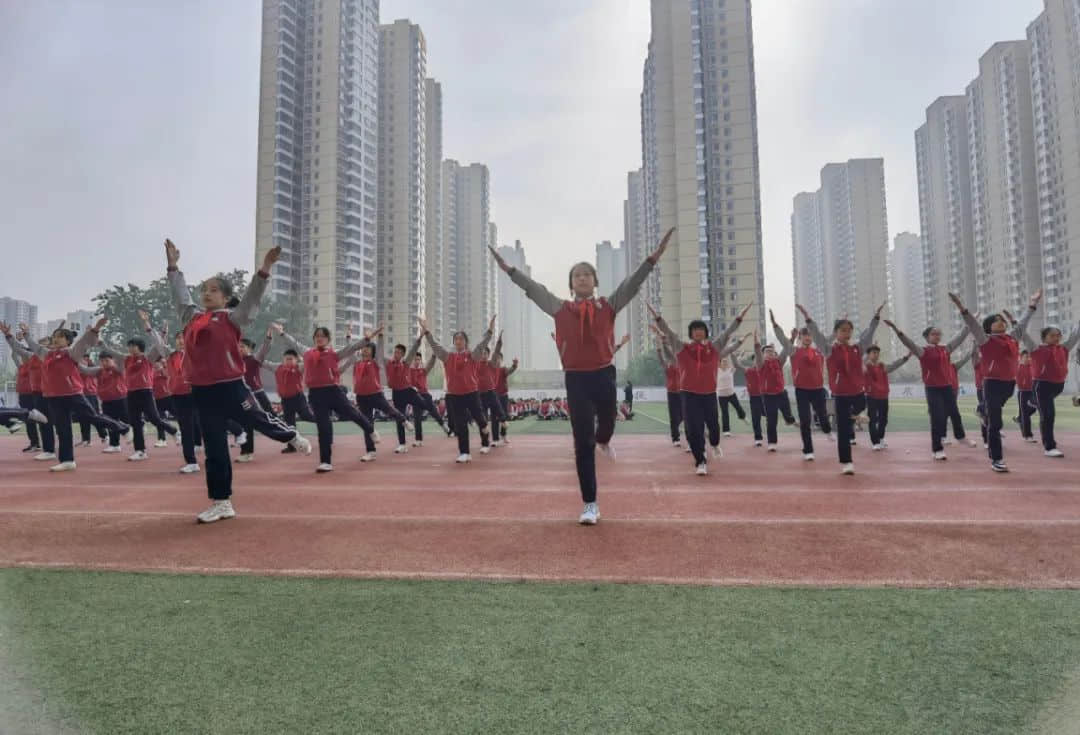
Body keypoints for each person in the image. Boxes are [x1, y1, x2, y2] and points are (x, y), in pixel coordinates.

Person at [493, 227, 672, 524]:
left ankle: (605, 440)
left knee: (606, 424)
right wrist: (509, 270)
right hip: (575, 379)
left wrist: (653, 258)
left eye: (587, 274)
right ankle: (590, 503)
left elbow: (633, 283)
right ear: (571, 284)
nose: (583, 278)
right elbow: (533, 288)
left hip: (604, 374)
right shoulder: (560, 308)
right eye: (577, 275)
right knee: (582, 442)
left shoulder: (608, 306)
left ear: (595, 281)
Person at [166, 239, 311, 522]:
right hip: (202, 391)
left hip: (231, 386)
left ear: (225, 297)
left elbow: (252, 298)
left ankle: (291, 436)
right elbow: (180, 295)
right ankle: (222, 502)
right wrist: (173, 267)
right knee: (215, 448)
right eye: (204, 290)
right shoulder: (191, 317)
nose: (207, 294)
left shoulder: (233, 318)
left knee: (258, 418)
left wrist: (265, 268)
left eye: (214, 290)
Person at [1, 320, 129, 471]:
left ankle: (123, 428)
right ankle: (67, 460)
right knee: (63, 429)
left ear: (67, 341)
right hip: (54, 397)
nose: (56, 339)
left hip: (73, 394)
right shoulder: (46, 354)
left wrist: (96, 329)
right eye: (55, 336)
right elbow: (26, 347)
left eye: (60, 337)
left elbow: (83, 343)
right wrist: (9, 335)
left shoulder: (71, 353)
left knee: (91, 417)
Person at [651, 302, 750, 475]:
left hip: (709, 394)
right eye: (695, 329)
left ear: (705, 332)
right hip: (689, 395)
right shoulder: (682, 348)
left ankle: (714, 444)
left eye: (701, 329)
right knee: (693, 429)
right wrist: (657, 316)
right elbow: (668, 332)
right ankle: (700, 461)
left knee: (714, 427)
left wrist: (739, 317)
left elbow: (727, 334)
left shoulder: (714, 348)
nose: (698, 331)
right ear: (691, 333)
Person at [949, 289, 1041, 472]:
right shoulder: (985, 340)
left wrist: (1032, 304)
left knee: (993, 413)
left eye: (1002, 320)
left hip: (1009, 385)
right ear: (989, 326)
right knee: (996, 423)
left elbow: (1023, 323)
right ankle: (997, 459)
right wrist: (961, 307)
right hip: (991, 384)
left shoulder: (1012, 338)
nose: (1001, 322)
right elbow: (973, 325)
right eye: (996, 320)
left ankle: (982, 409)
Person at [272, 323, 375, 472]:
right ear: (314, 339)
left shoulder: (334, 354)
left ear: (328, 339)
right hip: (316, 394)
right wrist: (282, 334)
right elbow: (293, 343)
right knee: (323, 428)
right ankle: (325, 462)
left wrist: (366, 340)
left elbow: (351, 349)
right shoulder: (307, 353)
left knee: (352, 413)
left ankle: (370, 430)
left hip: (333, 391)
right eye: (317, 336)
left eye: (323, 336)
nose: (320, 338)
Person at [800, 304, 884, 472]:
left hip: (858, 393)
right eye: (843, 330)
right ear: (836, 333)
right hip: (841, 395)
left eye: (849, 330)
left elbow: (868, 335)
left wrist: (875, 319)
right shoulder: (829, 350)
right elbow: (817, 336)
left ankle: (855, 415)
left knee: (861, 406)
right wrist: (808, 319)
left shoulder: (857, 349)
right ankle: (847, 463)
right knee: (844, 430)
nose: (847, 333)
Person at [882, 313, 976, 461]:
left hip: (947, 387)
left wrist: (970, 321)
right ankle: (937, 449)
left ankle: (961, 436)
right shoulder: (923, 351)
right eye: (934, 334)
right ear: (927, 337)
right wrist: (895, 328)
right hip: (932, 389)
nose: (937, 336)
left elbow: (960, 337)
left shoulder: (946, 349)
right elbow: (908, 342)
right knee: (937, 418)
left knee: (955, 413)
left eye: (939, 334)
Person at [418, 315, 496, 463]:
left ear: (466, 342)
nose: (458, 341)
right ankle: (464, 452)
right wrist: (426, 331)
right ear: (454, 342)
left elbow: (482, 344)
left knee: (479, 417)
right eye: (456, 339)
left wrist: (490, 332)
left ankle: (485, 435)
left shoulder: (473, 355)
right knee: (461, 425)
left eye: (461, 339)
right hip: (455, 395)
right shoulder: (448, 357)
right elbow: (435, 346)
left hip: (472, 393)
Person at [101, 321, 178, 461]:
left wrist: (155, 329)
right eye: (129, 346)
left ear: (140, 347)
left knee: (154, 418)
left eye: (133, 346)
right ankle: (140, 451)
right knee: (134, 422)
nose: (130, 348)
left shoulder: (147, 358)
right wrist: (101, 341)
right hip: (131, 393)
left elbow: (159, 345)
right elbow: (112, 352)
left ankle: (173, 430)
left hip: (146, 392)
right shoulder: (126, 359)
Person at [339, 327, 411, 460]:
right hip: (361, 396)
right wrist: (348, 337)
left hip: (376, 394)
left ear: (372, 351)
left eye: (368, 348)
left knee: (390, 410)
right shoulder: (357, 362)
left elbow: (380, 351)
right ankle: (371, 452)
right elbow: (350, 351)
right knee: (367, 423)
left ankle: (403, 420)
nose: (365, 350)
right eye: (364, 348)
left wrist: (381, 336)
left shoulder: (376, 362)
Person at [1019, 315, 1080, 458]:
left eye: (1058, 335)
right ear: (1044, 337)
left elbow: (1075, 336)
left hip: (1058, 386)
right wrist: (1016, 323)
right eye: (1052, 335)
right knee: (1048, 415)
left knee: (1043, 409)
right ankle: (1049, 447)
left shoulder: (1063, 348)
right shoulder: (1036, 349)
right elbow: (1024, 335)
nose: (1057, 338)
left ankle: (1031, 402)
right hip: (1042, 386)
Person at [862, 345, 912, 450]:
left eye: (877, 353)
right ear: (868, 354)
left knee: (883, 420)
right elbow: (858, 363)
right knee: (873, 419)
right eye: (873, 352)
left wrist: (906, 357)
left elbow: (894, 365)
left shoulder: (882, 366)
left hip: (883, 396)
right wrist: (865, 359)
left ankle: (880, 438)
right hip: (871, 396)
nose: (876, 355)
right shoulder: (866, 367)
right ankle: (875, 442)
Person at [753, 330, 795, 453]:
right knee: (772, 420)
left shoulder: (778, 362)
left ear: (775, 354)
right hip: (768, 396)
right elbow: (757, 353)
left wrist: (792, 338)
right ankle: (772, 442)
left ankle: (789, 419)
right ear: (763, 354)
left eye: (771, 351)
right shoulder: (760, 364)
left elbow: (786, 350)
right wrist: (756, 341)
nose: (769, 353)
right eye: (766, 352)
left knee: (787, 413)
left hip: (781, 394)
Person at [656, 337, 684, 447]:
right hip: (671, 393)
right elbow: (661, 360)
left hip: (682, 392)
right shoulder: (667, 366)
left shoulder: (679, 364)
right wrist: (659, 349)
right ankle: (675, 438)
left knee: (683, 415)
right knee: (673, 416)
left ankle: (675, 427)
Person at [77, 354, 108, 447]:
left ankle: (104, 435)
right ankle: (86, 439)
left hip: (90, 394)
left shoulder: (91, 368)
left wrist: (87, 363)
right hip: (81, 394)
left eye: (86, 358)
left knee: (93, 416)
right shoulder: (79, 365)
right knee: (82, 417)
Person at [715, 356, 745, 437]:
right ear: (720, 363)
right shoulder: (717, 371)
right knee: (725, 413)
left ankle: (743, 417)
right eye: (723, 361)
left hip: (731, 394)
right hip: (722, 396)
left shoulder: (730, 370)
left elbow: (736, 362)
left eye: (726, 361)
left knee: (738, 407)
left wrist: (741, 357)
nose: (725, 363)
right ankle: (726, 431)